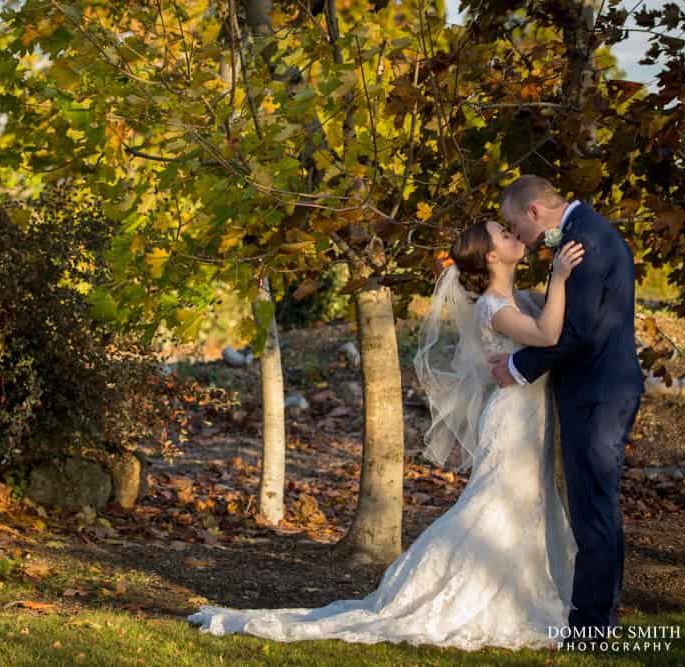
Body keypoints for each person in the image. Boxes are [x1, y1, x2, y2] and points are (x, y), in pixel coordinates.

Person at [188, 215, 585, 651]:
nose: (514, 235)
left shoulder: (515, 299)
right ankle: (458, 588)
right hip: (512, 420)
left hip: (531, 417)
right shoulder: (494, 305)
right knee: (498, 504)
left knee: (528, 503)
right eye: (505, 235)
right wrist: (561, 275)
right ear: (492, 255)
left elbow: (552, 325)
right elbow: (548, 334)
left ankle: (527, 593)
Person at [490, 175, 644, 632]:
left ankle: (594, 625)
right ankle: (598, 617)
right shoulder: (584, 234)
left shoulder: (586, 243)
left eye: (514, 223)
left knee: (593, 508)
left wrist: (517, 366)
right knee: (593, 505)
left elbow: (576, 331)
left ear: (534, 212)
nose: (516, 234)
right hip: (595, 390)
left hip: (598, 394)